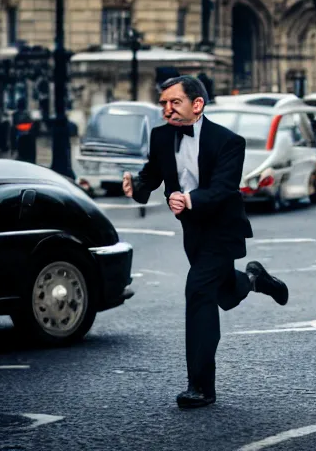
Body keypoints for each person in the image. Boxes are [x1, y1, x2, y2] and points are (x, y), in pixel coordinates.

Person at [122, 75, 289, 409]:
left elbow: (224, 188)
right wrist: (134, 186)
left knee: (198, 291)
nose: (167, 110)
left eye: (175, 102)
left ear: (197, 105)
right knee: (222, 288)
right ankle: (255, 280)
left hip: (223, 229)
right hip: (194, 232)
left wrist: (190, 200)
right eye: (164, 104)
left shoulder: (228, 141)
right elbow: (151, 176)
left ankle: (201, 386)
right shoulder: (161, 137)